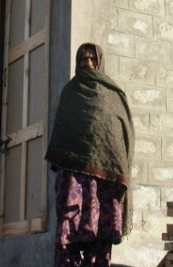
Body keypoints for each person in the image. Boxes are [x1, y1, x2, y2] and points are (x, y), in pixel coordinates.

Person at [45, 43, 135, 266]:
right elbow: (62, 133)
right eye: (83, 59)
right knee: (68, 231)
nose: (88, 64)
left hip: (104, 182)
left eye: (92, 59)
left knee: (100, 235)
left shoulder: (113, 94)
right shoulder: (70, 92)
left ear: (100, 62)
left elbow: (123, 134)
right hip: (74, 179)